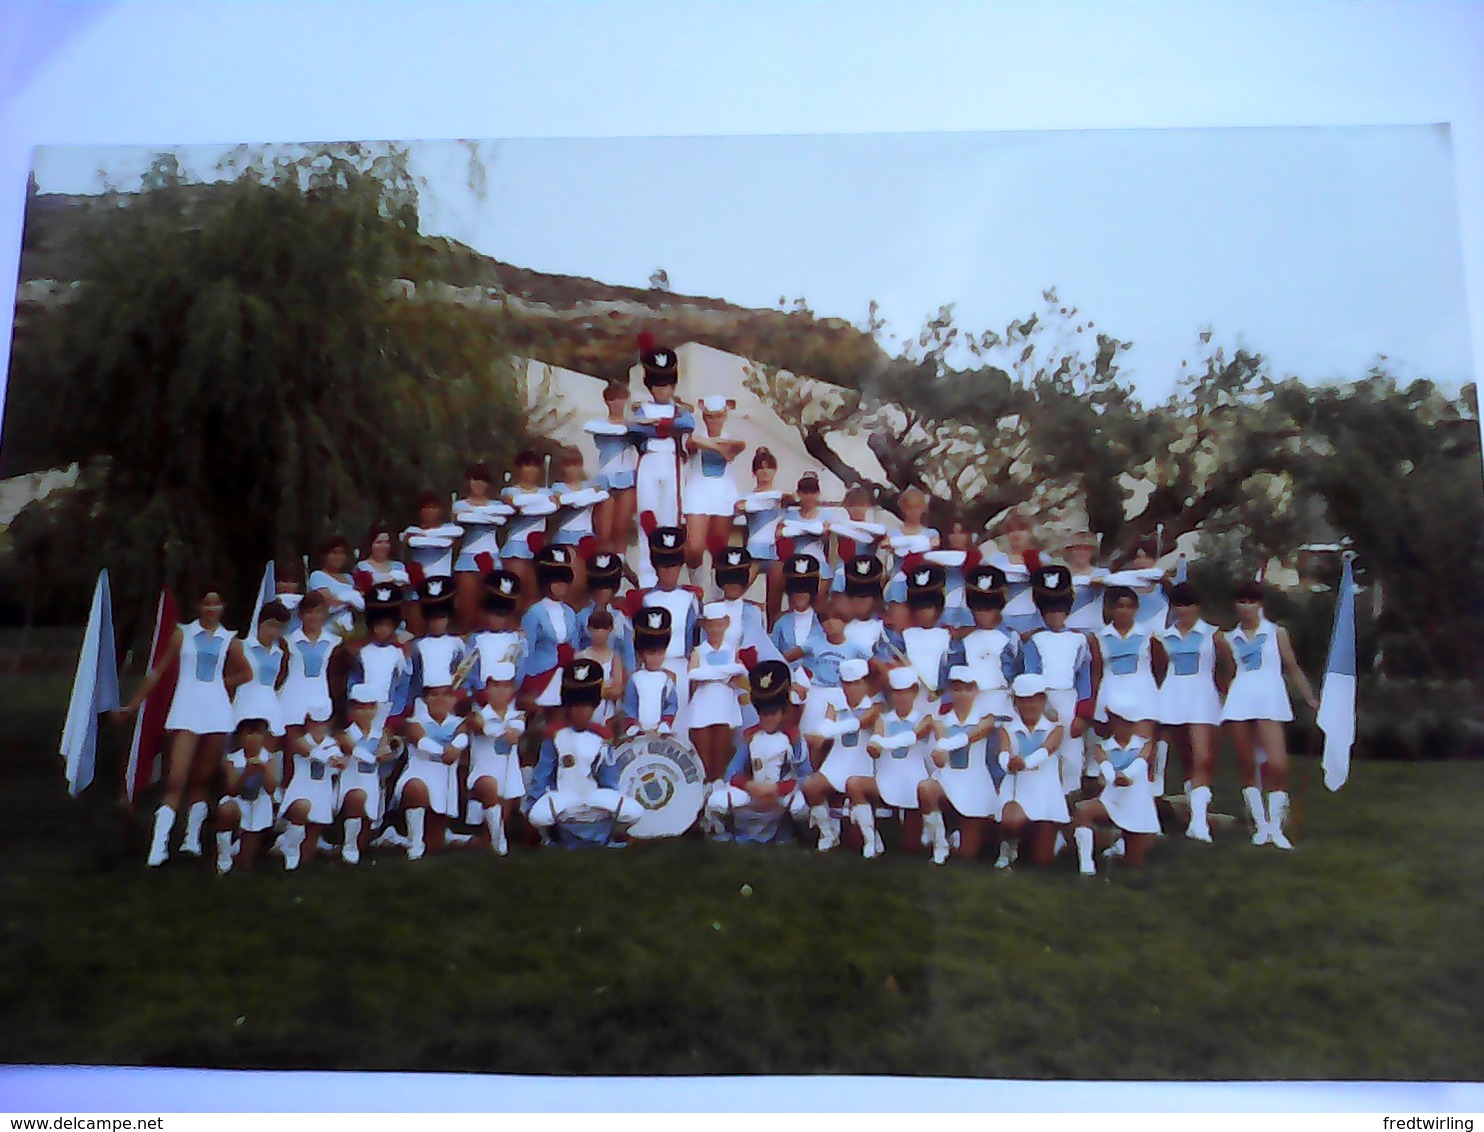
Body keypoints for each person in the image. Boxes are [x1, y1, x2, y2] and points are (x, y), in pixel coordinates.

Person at [118, 585, 253, 868]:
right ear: (198, 606)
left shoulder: (230, 639)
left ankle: (191, 838)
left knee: (203, 777)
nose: (211, 609)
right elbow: (158, 671)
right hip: (186, 708)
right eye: (206, 604)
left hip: (216, 712)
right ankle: (159, 845)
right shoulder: (184, 634)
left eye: (216, 604)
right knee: (176, 777)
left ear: (223, 607)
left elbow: (246, 672)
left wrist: (219, 686)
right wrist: (132, 705)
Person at [1221, 579, 1319, 851]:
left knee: (1277, 763)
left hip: (1270, 698)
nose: (1246, 607)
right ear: (1235, 605)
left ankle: (1276, 825)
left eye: (1252, 601)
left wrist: (1310, 697)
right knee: (1246, 762)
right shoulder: (1229, 638)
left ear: (1260, 604)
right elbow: (1229, 673)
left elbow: (1292, 666)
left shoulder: (1277, 633)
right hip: (1240, 699)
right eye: (1242, 601)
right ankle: (1260, 824)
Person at [526, 659, 644, 847]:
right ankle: (549, 839)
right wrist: (533, 802)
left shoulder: (602, 738)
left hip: (592, 796)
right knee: (538, 815)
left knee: (634, 810)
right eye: (575, 706)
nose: (580, 711)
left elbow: (609, 780)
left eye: (586, 706)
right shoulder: (555, 737)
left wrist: (610, 801)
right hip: (564, 797)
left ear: (594, 705)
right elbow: (542, 777)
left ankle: (611, 836)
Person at [705, 660, 813, 843]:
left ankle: (797, 834)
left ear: (782, 711)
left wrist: (777, 788)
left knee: (799, 806)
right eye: (764, 714)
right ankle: (723, 833)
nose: (768, 718)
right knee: (717, 801)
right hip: (754, 789)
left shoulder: (793, 737)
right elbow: (731, 772)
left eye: (773, 713)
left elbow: (805, 776)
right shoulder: (751, 735)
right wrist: (750, 785)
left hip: (781, 792)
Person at [1155, 582, 1232, 821]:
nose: (1183, 610)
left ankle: (1198, 821)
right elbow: (1160, 668)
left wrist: (1223, 693)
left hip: (1202, 696)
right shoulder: (1163, 636)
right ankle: (1187, 804)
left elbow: (1227, 667)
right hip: (1171, 696)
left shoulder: (1214, 635)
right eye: (1178, 605)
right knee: (1181, 753)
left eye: (1188, 604)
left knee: (1202, 755)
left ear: (1197, 606)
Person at [628, 334, 696, 588]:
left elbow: (688, 424)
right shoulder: (642, 409)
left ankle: (669, 575)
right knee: (648, 515)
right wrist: (660, 428)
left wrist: (664, 426)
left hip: (672, 462)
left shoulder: (679, 410)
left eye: (666, 385)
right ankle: (647, 576)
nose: (662, 390)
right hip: (649, 460)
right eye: (657, 385)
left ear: (673, 386)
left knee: (670, 518)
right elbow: (635, 429)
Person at [1021, 565, 1093, 798]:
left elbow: (1083, 676)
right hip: (1043, 700)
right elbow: (1031, 673)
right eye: (1048, 611)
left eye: (1059, 610)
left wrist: (1082, 712)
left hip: (1069, 698)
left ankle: (1069, 800)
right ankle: (1045, 800)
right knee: (1044, 750)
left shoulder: (1079, 639)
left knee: (1072, 755)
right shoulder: (1035, 640)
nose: (1054, 615)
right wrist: (1045, 707)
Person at [797, 657, 882, 852]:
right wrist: (818, 734)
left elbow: (860, 723)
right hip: (838, 761)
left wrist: (826, 733)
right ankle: (828, 833)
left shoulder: (875, 706)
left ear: (865, 683)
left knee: (855, 836)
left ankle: (871, 841)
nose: (851, 688)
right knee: (811, 786)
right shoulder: (836, 702)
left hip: (863, 765)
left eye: (856, 683)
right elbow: (826, 723)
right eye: (847, 683)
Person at [854, 667, 938, 859]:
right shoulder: (883, 719)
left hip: (913, 784)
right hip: (886, 780)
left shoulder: (925, 718)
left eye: (906, 691)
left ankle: (937, 841)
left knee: (911, 848)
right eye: (896, 692)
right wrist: (874, 746)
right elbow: (875, 739)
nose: (901, 697)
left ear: (915, 691)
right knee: (854, 784)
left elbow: (912, 737)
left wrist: (882, 743)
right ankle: (871, 842)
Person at [1073, 692, 1160, 876]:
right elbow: (1104, 764)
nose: (1125, 727)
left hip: (1138, 805)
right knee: (1083, 810)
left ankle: (1120, 844)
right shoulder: (1102, 746)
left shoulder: (1146, 744)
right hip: (1112, 801)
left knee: (1134, 864)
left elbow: (1141, 762)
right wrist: (1114, 778)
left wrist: (1126, 775)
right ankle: (1087, 865)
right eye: (1121, 722)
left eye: (1130, 723)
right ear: (1112, 721)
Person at [923, 668, 1003, 864]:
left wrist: (946, 746)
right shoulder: (941, 720)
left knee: (968, 855)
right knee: (925, 788)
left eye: (967, 689)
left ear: (976, 691)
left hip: (975, 785)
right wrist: (939, 756)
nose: (962, 694)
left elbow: (977, 733)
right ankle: (940, 844)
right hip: (948, 781)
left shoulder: (986, 718)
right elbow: (940, 753)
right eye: (957, 689)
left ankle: (961, 833)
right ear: (951, 690)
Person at [625, 527, 701, 723]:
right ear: (655, 566)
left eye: (675, 565)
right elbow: (636, 644)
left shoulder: (690, 599)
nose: (670, 571)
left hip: (683, 671)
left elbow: (695, 643)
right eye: (664, 565)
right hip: (651, 671)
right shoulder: (646, 599)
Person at [994, 673, 1069, 869]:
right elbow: (1003, 751)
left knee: (1042, 861)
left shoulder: (1056, 728)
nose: (1030, 706)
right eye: (1024, 701)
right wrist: (1008, 763)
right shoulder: (1006, 728)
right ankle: (1009, 844)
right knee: (1011, 821)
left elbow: (1048, 749)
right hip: (1017, 791)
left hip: (1045, 794)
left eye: (1035, 700)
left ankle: (1051, 838)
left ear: (1044, 700)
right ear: (1015, 702)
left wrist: (1024, 763)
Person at [395, 681, 469, 861]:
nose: (439, 699)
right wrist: (446, 751)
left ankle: (397, 838)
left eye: (445, 694)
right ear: (425, 699)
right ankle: (414, 844)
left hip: (444, 782)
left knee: (435, 846)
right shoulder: (414, 722)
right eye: (434, 694)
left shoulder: (460, 722)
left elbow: (463, 736)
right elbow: (420, 741)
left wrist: (456, 747)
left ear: (453, 699)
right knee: (415, 788)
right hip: (419, 772)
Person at [798, 601, 873, 773]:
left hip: (843, 692)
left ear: (845, 620)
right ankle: (811, 775)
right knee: (813, 737)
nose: (830, 623)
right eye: (825, 619)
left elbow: (875, 666)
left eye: (836, 618)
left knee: (836, 739)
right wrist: (796, 679)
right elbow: (789, 657)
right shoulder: (814, 642)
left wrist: (869, 689)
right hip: (817, 692)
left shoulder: (855, 646)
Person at [683, 395, 746, 587]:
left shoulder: (730, 437)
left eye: (718, 416)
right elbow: (691, 443)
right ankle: (697, 587)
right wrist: (718, 448)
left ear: (725, 415)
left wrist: (716, 445)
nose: (713, 420)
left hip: (722, 493)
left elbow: (739, 446)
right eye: (709, 416)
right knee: (694, 547)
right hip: (697, 492)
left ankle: (716, 592)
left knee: (719, 547)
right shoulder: (695, 435)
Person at [463, 661, 526, 855]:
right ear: (487, 688)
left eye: (506, 686)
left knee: (487, 837)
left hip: (509, 781)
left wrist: (513, 732)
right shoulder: (478, 715)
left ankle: (486, 841)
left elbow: (518, 728)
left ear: (512, 689)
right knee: (489, 786)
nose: (500, 691)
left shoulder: (518, 716)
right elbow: (479, 727)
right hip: (482, 775)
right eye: (495, 685)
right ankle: (500, 844)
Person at [333, 686, 399, 866]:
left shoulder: (380, 735)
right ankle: (348, 846)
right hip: (350, 783)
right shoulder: (345, 735)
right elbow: (350, 748)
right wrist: (373, 756)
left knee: (365, 835)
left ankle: (358, 843)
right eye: (360, 707)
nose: (366, 712)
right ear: (351, 710)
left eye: (370, 707)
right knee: (356, 798)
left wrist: (387, 749)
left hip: (372, 785)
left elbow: (388, 752)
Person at [688, 604, 749, 791]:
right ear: (705, 626)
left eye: (719, 624)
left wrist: (710, 673)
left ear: (726, 624)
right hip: (702, 707)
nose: (715, 629)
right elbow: (693, 675)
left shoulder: (733, 650)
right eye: (711, 625)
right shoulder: (698, 651)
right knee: (702, 759)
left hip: (725, 707)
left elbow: (741, 673)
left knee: (720, 758)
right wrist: (724, 674)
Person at [949, 564, 1021, 721]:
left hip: (1004, 703)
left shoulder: (1011, 638)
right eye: (978, 608)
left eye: (989, 608)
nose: (983, 614)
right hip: (971, 705)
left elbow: (1018, 671)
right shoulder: (963, 640)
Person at [517, 547, 580, 726]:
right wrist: (522, 687)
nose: (560, 585)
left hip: (564, 677)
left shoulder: (570, 612)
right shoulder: (534, 613)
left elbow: (574, 646)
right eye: (555, 579)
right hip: (539, 677)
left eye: (563, 580)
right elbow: (526, 650)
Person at [1092, 586, 1165, 742]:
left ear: (1136, 609)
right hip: (1111, 691)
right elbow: (1096, 671)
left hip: (1143, 692)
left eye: (1129, 606)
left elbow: (1160, 667)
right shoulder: (1098, 637)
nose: (1124, 611)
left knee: (1143, 743)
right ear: (1110, 609)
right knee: (1115, 744)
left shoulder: (1148, 634)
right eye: (1120, 606)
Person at [277, 703, 343, 871]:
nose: (319, 727)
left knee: (308, 852)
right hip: (301, 788)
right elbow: (310, 751)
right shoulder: (300, 741)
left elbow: (339, 763)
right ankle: (288, 846)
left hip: (322, 791)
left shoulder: (333, 744)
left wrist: (339, 760)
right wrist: (330, 757)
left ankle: (299, 860)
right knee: (302, 808)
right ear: (307, 722)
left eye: (323, 722)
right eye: (315, 722)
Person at [211, 717, 279, 875]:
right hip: (238, 799)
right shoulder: (231, 760)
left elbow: (271, 789)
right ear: (241, 737)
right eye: (249, 733)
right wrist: (246, 773)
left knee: (245, 863)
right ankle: (224, 857)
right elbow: (232, 789)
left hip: (259, 801)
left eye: (259, 734)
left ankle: (242, 851)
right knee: (227, 811)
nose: (255, 738)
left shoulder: (270, 759)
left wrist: (264, 770)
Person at [452, 462, 515, 633]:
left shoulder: (497, 505)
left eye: (482, 480)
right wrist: (490, 516)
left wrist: (485, 514)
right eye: (474, 479)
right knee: (467, 611)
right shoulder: (460, 505)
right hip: (467, 560)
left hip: (492, 558)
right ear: (468, 482)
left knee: (492, 608)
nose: (478, 484)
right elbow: (462, 518)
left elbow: (505, 516)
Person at [345, 582, 413, 741]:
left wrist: (396, 713)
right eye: (379, 625)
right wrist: (356, 708)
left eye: (387, 625)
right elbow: (354, 680)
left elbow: (403, 684)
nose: (382, 630)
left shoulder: (400, 653)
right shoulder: (362, 652)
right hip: (364, 710)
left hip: (389, 710)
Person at [735, 448, 792, 627]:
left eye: (769, 467)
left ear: (775, 470)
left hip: (775, 554)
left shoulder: (782, 497)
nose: (765, 471)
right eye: (760, 468)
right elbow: (739, 507)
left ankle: (771, 637)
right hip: (753, 552)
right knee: (735, 591)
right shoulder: (748, 497)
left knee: (774, 605)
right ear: (754, 472)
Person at [885, 563, 954, 710]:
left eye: (928, 607)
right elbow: (891, 660)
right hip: (909, 700)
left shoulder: (949, 636)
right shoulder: (903, 637)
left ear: (939, 608)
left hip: (938, 700)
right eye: (919, 607)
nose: (923, 613)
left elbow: (951, 668)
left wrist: (945, 695)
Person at [549, 447, 610, 602]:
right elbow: (560, 499)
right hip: (566, 537)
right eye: (568, 465)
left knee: (586, 580)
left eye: (575, 464)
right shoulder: (558, 487)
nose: (572, 469)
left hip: (587, 536)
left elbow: (603, 496)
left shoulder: (589, 485)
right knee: (572, 578)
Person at [500, 451, 559, 608]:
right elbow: (514, 504)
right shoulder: (510, 491)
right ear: (518, 468)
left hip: (539, 547)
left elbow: (555, 507)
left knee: (534, 594)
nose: (531, 470)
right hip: (516, 545)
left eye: (534, 466)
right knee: (514, 592)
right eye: (527, 465)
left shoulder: (546, 492)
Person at [401, 491, 465, 636]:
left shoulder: (450, 530)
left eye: (433, 507)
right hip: (418, 586)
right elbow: (406, 544)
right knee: (417, 631)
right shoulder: (411, 532)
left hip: (442, 588)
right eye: (425, 508)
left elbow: (456, 538)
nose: (429, 511)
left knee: (441, 632)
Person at [586, 381, 639, 555]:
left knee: (621, 529)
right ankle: (602, 566)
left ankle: (620, 567)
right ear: (606, 402)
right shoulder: (599, 424)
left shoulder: (633, 426)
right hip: (606, 478)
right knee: (604, 532)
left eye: (620, 399)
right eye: (612, 399)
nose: (617, 403)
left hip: (627, 477)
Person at [232, 599, 290, 755]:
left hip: (270, 704)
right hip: (245, 702)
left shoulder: (280, 653)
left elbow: (279, 680)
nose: (274, 631)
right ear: (260, 622)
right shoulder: (242, 646)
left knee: (267, 754)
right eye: (270, 625)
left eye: (279, 627)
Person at [882, 488, 940, 630]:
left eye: (917, 507)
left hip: (924, 586)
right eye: (909, 507)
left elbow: (935, 549)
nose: (913, 511)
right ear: (902, 508)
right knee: (901, 628)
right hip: (900, 584)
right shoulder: (893, 533)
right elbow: (885, 544)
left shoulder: (931, 533)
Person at [406, 578, 467, 707]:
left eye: (441, 618)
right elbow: (415, 675)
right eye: (433, 619)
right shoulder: (417, 645)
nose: (437, 623)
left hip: (449, 696)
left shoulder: (457, 643)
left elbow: (461, 671)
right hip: (423, 698)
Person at [622, 608, 681, 736]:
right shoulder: (634, 678)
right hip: (638, 731)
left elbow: (672, 704)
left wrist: (666, 722)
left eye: (659, 653)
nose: (655, 658)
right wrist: (632, 724)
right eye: (651, 654)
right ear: (643, 654)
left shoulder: (668, 679)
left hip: (661, 731)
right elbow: (630, 704)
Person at [576, 552, 636, 678]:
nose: (602, 591)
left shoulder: (621, 619)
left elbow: (629, 656)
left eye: (607, 586)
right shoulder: (580, 618)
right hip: (586, 676)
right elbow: (575, 650)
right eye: (598, 586)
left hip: (614, 678)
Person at [777, 473, 834, 602]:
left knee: (818, 605)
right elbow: (779, 534)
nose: (809, 497)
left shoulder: (826, 515)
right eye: (805, 492)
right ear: (799, 493)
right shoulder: (789, 516)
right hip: (795, 566)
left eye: (812, 492)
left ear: (818, 493)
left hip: (819, 566)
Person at [711, 546, 770, 662]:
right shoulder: (709, 611)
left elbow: (759, 648)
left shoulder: (755, 612)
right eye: (728, 579)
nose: (733, 584)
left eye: (738, 579)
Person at [308, 535, 365, 636]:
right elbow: (328, 604)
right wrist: (350, 598)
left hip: (349, 629)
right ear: (324, 555)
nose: (339, 557)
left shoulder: (349, 578)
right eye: (334, 553)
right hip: (328, 629)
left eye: (342, 553)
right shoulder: (317, 576)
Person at [578, 610, 625, 732]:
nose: (600, 633)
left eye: (604, 628)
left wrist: (590, 688)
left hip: (607, 717)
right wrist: (604, 687)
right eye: (596, 628)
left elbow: (617, 691)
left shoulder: (615, 658)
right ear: (589, 629)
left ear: (610, 630)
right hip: (583, 717)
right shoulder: (580, 657)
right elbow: (576, 690)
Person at [1060, 530, 1109, 633]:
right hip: (1066, 628)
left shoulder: (1101, 572)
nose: (1082, 553)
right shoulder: (1061, 573)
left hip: (1094, 628)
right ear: (1070, 551)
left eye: (1086, 549)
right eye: (1077, 549)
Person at [353, 520, 413, 594]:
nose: (383, 546)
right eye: (379, 542)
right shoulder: (362, 566)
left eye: (387, 542)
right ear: (370, 544)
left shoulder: (399, 566)